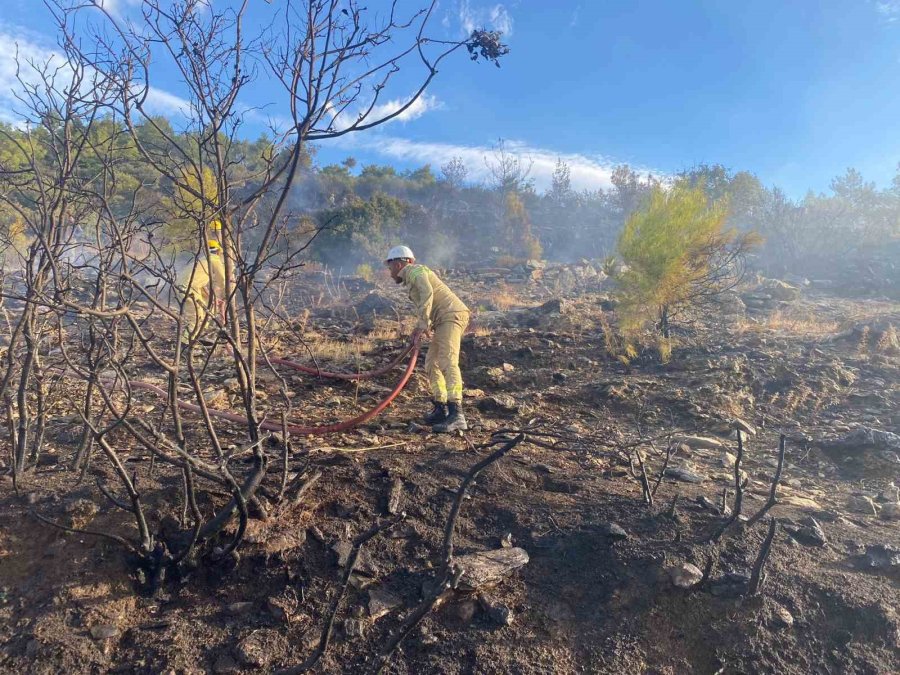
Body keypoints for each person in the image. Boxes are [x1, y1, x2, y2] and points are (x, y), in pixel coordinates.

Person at [384, 245, 470, 432]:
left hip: (451, 315)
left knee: (448, 361)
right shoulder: (411, 276)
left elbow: (427, 293)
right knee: (432, 363)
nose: (389, 272)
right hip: (442, 320)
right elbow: (428, 300)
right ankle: (441, 407)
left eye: (390, 267)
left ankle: (457, 414)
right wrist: (425, 326)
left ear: (398, 264)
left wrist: (422, 324)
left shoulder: (415, 271)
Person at [177, 235, 226, 346]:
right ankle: (185, 344)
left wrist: (212, 298)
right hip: (189, 289)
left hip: (186, 288)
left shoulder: (202, 261)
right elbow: (222, 280)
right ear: (218, 252)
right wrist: (225, 295)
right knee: (196, 317)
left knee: (208, 307)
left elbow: (198, 282)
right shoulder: (215, 260)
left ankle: (199, 335)